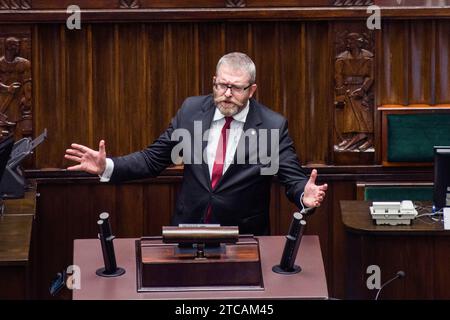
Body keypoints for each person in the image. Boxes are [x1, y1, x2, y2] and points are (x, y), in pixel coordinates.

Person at [65, 52, 328, 235]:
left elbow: (292, 179)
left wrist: (304, 197)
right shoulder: (191, 112)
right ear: (214, 82)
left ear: (251, 90)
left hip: (244, 237)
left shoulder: (272, 125)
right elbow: (152, 160)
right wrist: (106, 166)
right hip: (188, 230)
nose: (227, 94)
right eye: (222, 85)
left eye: (236, 88)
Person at [334, 33, 374, 152]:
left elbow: (371, 76)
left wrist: (363, 89)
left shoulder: (368, 57)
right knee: (348, 115)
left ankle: (366, 137)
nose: (349, 43)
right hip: (347, 89)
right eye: (348, 41)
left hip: (361, 89)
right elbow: (338, 76)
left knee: (363, 112)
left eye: (352, 41)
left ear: (359, 42)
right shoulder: (341, 58)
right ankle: (350, 137)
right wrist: (340, 93)